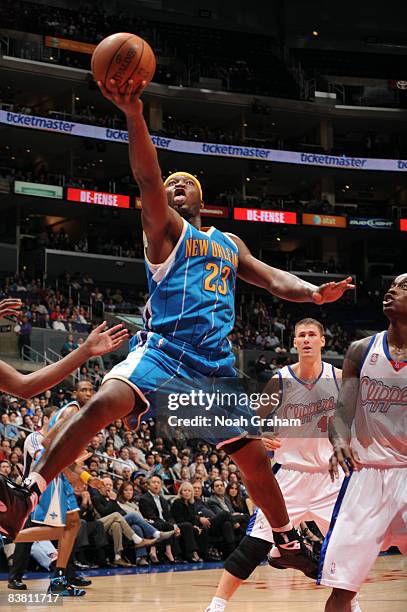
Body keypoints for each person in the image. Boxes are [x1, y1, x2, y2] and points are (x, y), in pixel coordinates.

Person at [0, 81, 353, 581]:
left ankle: (286, 542)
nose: (175, 186)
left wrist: (314, 294)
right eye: (170, 185)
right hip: (165, 353)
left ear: (202, 197)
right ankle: (27, 492)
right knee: (104, 401)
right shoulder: (165, 232)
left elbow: (274, 278)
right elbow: (146, 176)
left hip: (213, 369)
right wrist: (134, 114)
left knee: (253, 461)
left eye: (185, 183)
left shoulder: (228, 242)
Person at [204, 318, 360, 612]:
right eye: (301, 335)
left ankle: (354, 605)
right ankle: (216, 606)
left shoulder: (339, 377)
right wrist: (260, 437)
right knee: (255, 543)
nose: (307, 339)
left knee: (349, 547)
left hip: (331, 477)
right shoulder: (280, 379)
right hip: (288, 475)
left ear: (323, 341)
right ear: (295, 342)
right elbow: (252, 423)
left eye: (313, 334)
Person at [320, 274, 407, 612]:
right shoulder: (360, 350)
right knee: (342, 588)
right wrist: (339, 441)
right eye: (392, 286)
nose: (392, 290)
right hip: (367, 476)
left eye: (403, 287)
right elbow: (342, 412)